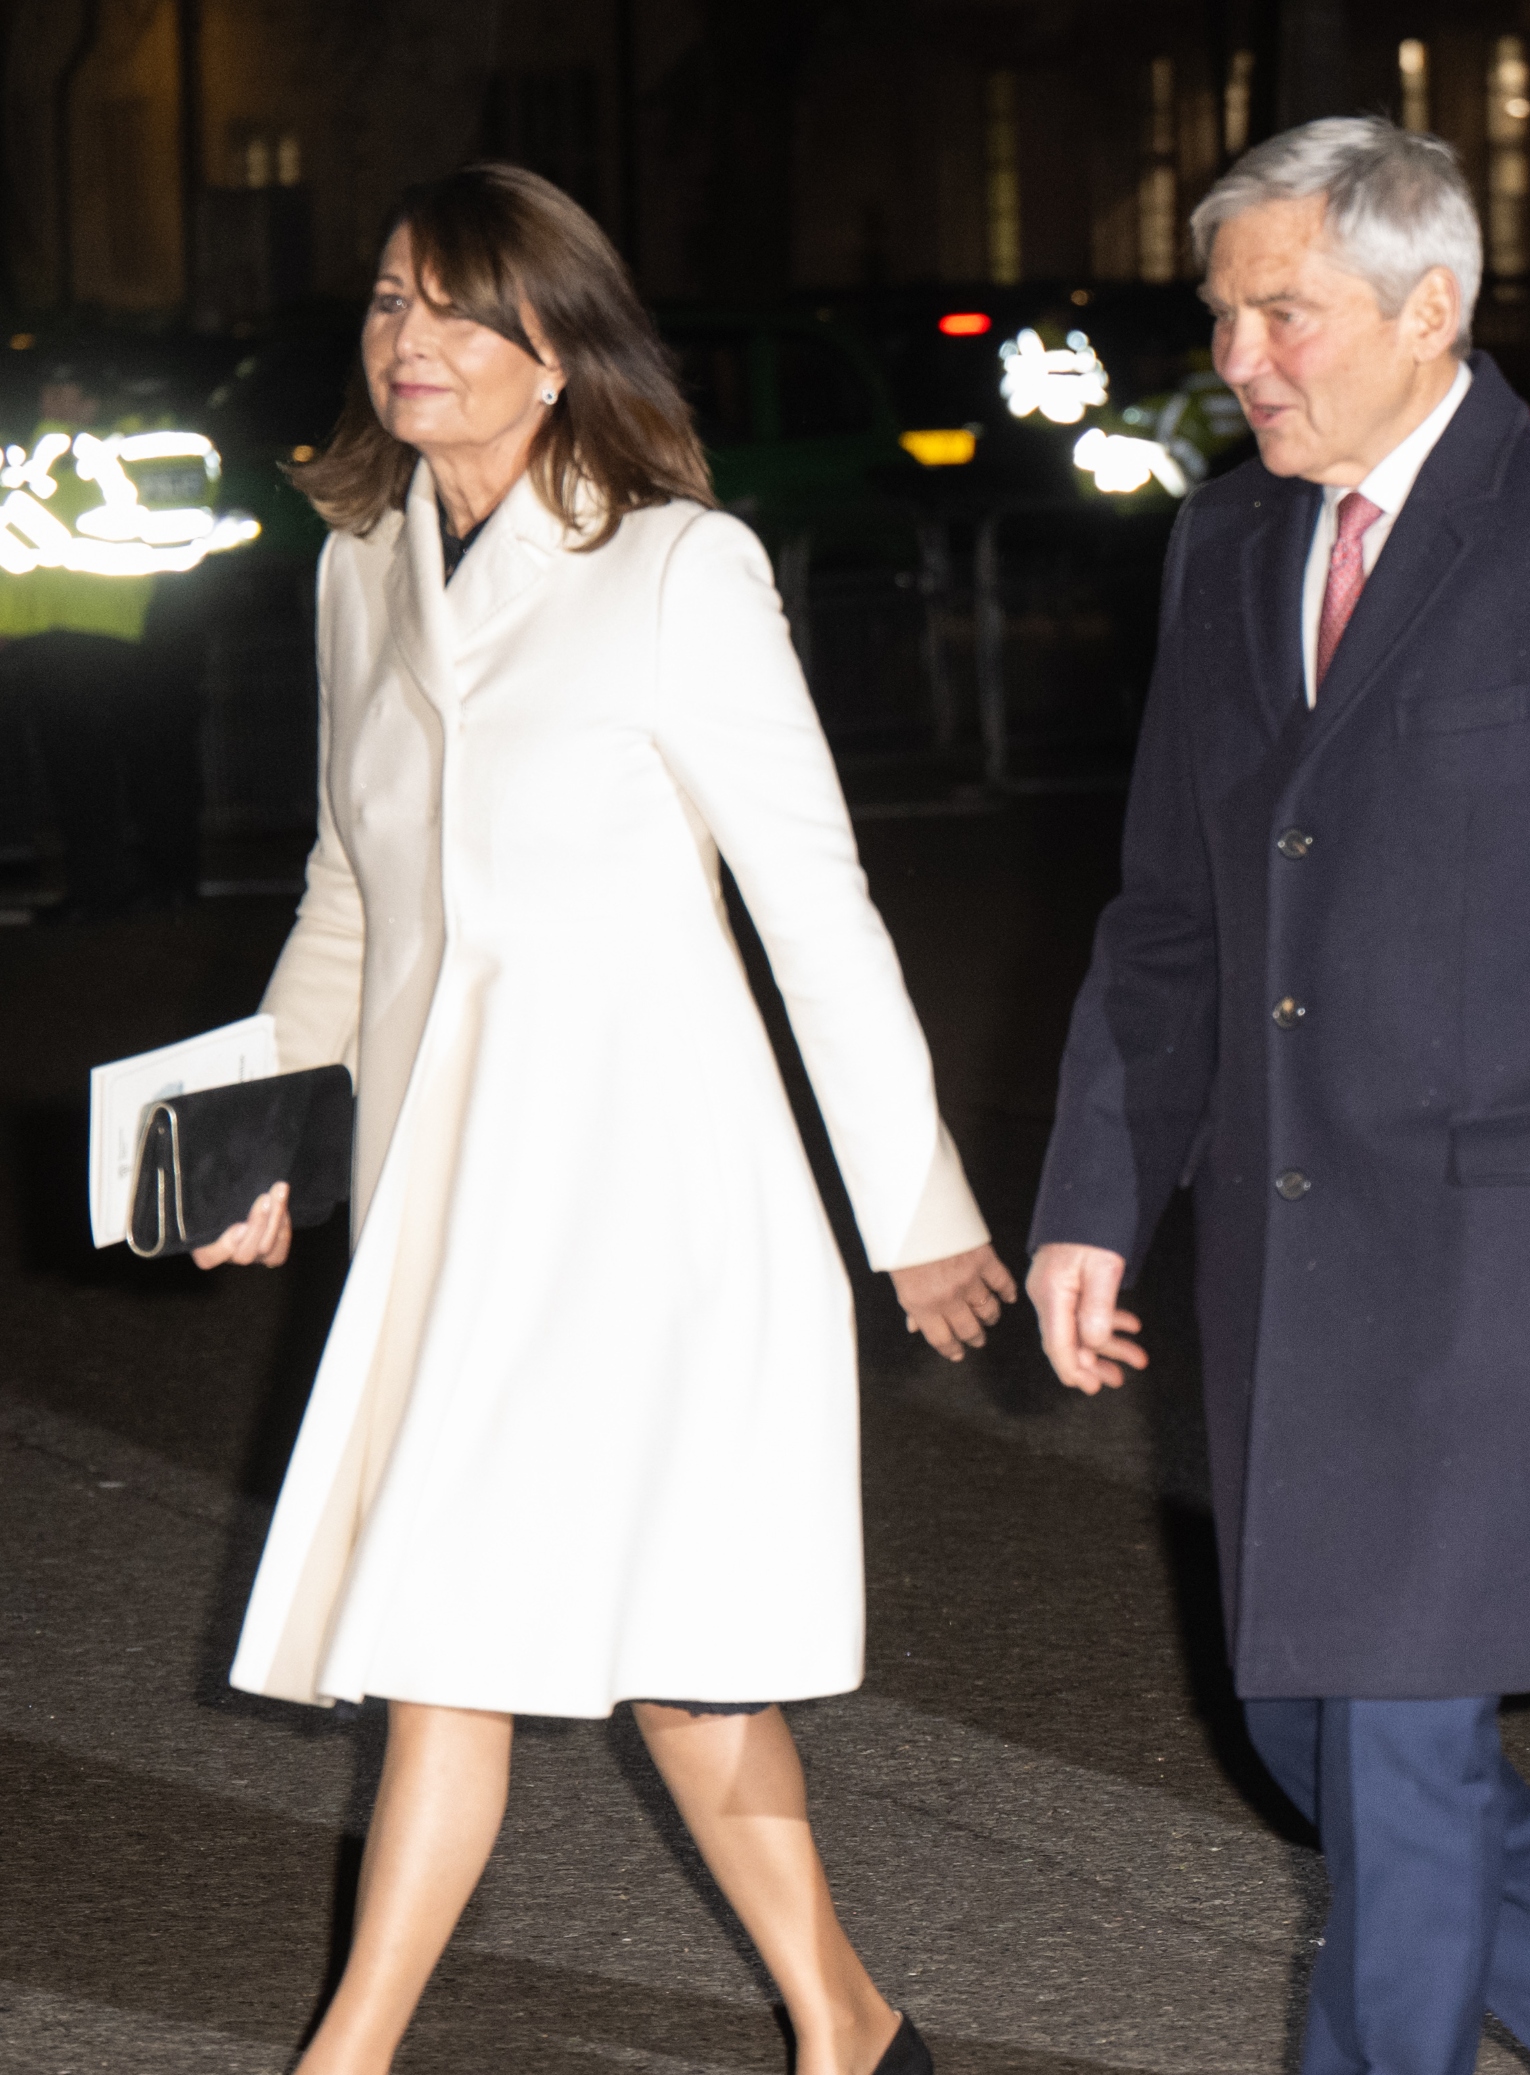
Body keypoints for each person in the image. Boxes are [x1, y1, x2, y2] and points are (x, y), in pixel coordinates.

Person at [194, 165, 1007, 2075]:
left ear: (556, 352)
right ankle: (836, 2027)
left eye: (459, 310)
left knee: (681, 1673)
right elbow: (345, 893)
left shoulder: (674, 569)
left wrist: (919, 1209)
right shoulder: (358, 569)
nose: (409, 341)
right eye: (390, 301)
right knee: (446, 1650)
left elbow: (816, 905)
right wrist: (248, 1133)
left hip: (653, 1207)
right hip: (448, 1210)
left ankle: (834, 2021)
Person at [1022, 118, 1530, 2075]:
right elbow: (1171, 913)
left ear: (1428, 304)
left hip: (1505, 1267)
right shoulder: (1223, 544)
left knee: (1387, 1744)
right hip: (1294, 1264)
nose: (1241, 358)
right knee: (1305, 1725)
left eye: (1282, 313)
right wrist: (1092, 1191)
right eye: (1224, 317)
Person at [0, 366, 203, 919]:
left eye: (63, 387)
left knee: (102, 769)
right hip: (85, 632)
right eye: (47, 387)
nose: (51, 397)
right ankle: (147, 884)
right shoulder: (72, 452)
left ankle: (133, 887)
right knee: (107, 768)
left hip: (92, 631)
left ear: (92, 399)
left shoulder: (64, 455)